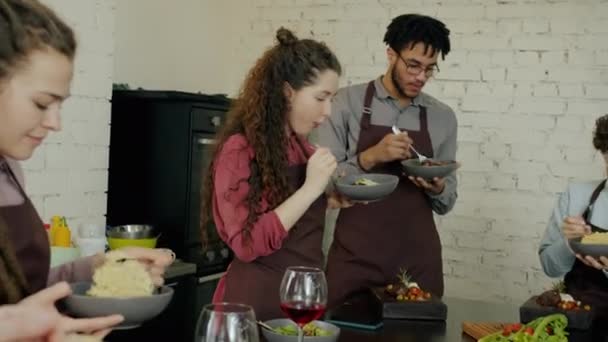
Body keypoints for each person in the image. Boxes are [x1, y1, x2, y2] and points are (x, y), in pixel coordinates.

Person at [0, 0, 174, 339]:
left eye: (60, 105)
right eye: (41, 103)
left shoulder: (10, 171)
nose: (55, 123)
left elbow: (25, 289)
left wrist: (97, 270)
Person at [200, 28, 346, 320]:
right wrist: (310, 190)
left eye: (332, 98)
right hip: (253, 310)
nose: (328, 110)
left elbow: (297, 217)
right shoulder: (239, 150)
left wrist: (331, 196)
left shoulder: (301, 146)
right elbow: (247, 243)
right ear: (288, 92)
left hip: (300, 306)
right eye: (321, 97)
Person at [317, 14, 457, 306]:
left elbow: (447, 201)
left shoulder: (442, 117)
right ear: (391, 54)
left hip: (418, 262)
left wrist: (438, 188)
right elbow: (322, 184)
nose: (421, 77)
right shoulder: (345, 103)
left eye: (430, 69)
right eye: (413, 65)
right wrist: (370, 157)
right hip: (355, 259)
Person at [539, 114, 608, 323]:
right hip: (578, 319)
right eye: (607, 154)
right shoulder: (577, 195)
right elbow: (549, 266)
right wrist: (569, 244)